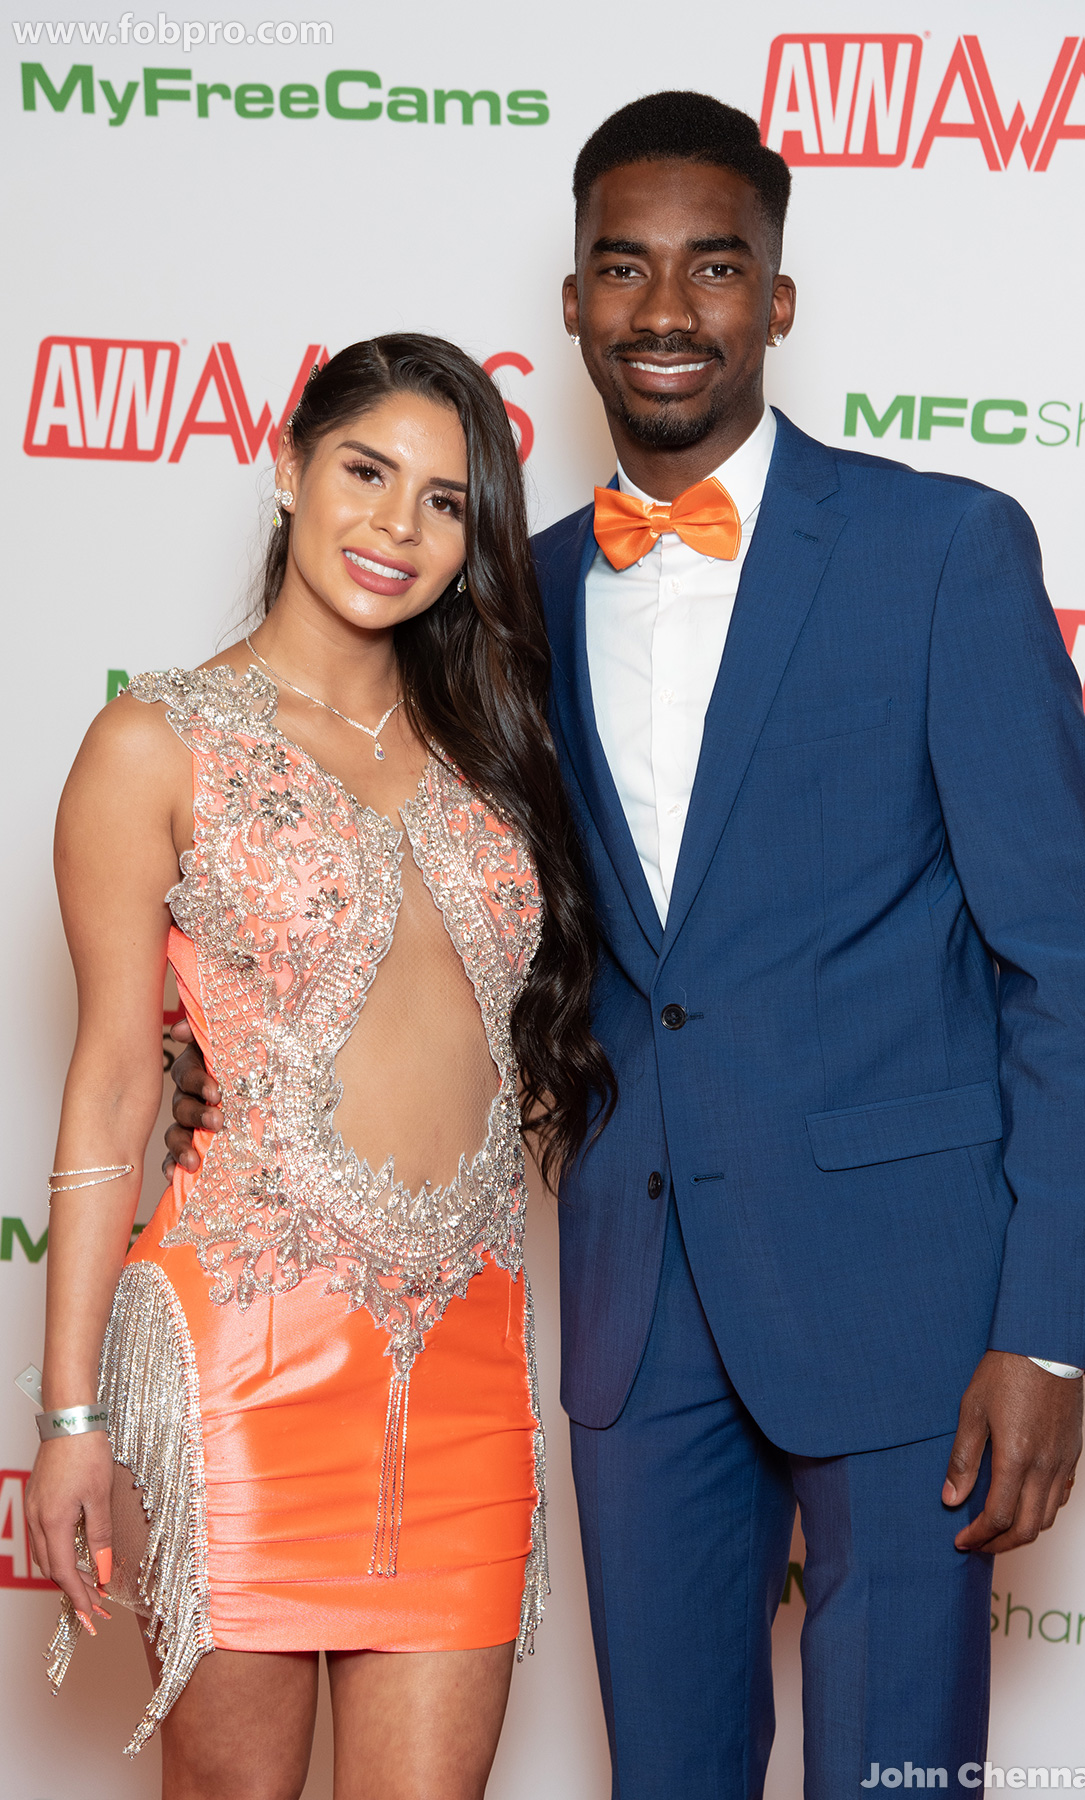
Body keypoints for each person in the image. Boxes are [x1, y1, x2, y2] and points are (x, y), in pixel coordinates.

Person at [168, 95, 1085, 1798]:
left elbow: (1071, 972)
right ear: (571, 303)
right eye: (625, 267)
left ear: (779, 298)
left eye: (717, 266)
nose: (668, 308)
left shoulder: (941, 550)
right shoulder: (506, 603)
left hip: (911, 1304)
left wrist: (1048, 1331)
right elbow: (403, 880)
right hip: (637, 1314)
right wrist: (215, 1036)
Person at [27, 333, 612, 1800]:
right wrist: (70, 1418)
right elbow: (112, 1088)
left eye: (444, 502)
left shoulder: (502, 745)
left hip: (470, 1359)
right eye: (365, 472)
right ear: (289, 468)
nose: (395, 526)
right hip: (247, 1355)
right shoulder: (153, 744)